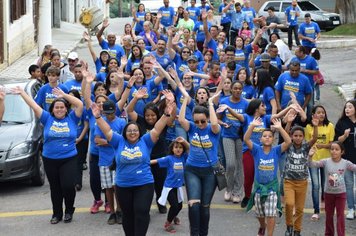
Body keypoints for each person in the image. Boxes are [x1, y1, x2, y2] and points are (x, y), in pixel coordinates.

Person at [92, 93, 175, 236]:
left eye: (135, 130)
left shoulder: (146, 141)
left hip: (144, 183)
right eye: (129, 130)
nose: (132, 133)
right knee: (128, 215)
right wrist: (98, 117)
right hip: (123, 185)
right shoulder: (118, 141)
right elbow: (106, 130)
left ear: (139, 132)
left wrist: (166, 115)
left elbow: (157, 128)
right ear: (124, 133)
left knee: (142, 211)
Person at [12, 85, 83, 224]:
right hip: (50, 159)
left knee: (68, 186)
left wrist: (63, 94)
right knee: (55, 187)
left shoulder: (73, 118)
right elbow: (33, 104)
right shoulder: (46, 118)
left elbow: (79, 104)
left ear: (66, 109)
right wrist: (21, 93)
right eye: (56, 107)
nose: (59, 109)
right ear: (52, 109)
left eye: (62, 107)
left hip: (69, 158)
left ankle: (69, 210)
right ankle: (57, 213)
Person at [178, 90, 221, 236]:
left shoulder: (213, 129)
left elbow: (214, 123)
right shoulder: (191, 127)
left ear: (207, 119)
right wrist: (185, 100)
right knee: (194, 206)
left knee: (204, 207)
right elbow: (181, 119)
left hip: (210, 171)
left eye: (203, 121)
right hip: (192, 170)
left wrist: (210, 103)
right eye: (196, 121)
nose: (200, 124)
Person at [244, 117, 291, 236]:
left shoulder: (276, 150)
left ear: (273, 139)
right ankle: (262, 225)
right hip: (259, 188)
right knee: (260, 214)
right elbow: (246, 139)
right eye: (264, 136)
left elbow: (288, 142)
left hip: (272, 188)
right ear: (260, 139)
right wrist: (252, 125)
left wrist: (280, 128)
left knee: (271, 214)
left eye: (270, 136)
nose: (267, 137)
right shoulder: (256, 150)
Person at [308, 142, 356, 236]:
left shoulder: (346, 163)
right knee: (329, 216)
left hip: (341, 194)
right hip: (328, 194)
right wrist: (310, 156)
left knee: (340, 216)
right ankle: (329, 233)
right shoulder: (325, 161)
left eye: (337, 149)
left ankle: (341, 234)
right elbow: (312, 165)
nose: (334, 151)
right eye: (332, 149)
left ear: (342, 152)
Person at [283, 116, 318, 236]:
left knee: (299, 209)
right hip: (289, 181)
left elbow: (315, 138)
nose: (298, 138)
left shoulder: (305, 147)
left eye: (300, 136)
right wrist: (289, 122)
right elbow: (285, 134)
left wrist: (315, 125)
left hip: (302, 182)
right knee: (289, 204)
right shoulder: (288, 146)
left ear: (303, 137)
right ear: (292, 137)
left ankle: (297, 230)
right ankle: (289, 227)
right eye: (295, 135)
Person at [94, 100, 126, 225]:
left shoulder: (122, 122)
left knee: (117, 186)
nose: (109, 116)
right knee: (108, 187)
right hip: (104, 160)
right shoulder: (100, 122)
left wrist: (107, 140)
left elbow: (125, 139)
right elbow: (97, 140)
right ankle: (112, 212)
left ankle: (119, 210)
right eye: (107, 113)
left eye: (111, 113)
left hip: (118, 159)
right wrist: (113, 140)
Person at [217, 81, 249, 203]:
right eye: (235, 88)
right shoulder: (224, 101)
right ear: (231, 89)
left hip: (241, 137)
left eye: (239, 89)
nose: (237, 91)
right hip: (227, 135)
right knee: (230, 164)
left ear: (242, 90)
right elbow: (217, 119)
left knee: (240, 165)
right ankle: (228, 189)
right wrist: (223, 124)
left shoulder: (245, 103)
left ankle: (237, 192)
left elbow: (247, 120)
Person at [150, 137, 190, 233]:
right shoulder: (169, 158)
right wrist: (141, 162)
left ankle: (174, 216)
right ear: (172, 149)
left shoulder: (184, 157)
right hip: (169, 187)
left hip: (178, 186)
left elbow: (190, 149)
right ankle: (168, 223)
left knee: (179, 206)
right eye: (176, 147)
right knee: (175, 205)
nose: (178, 149)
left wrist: (184, 141)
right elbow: (155, 161)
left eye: (180, 147)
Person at [306, 105, 334, 221]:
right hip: (313, 160)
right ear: (313, 115)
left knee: (325, 185)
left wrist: (322, 145)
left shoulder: (330, 126)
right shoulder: (308, 127)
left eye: (323, 112)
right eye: (318, 112)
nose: (321, 114)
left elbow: (332, 144)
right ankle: (316, 210)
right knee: (316, 185)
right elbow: (308, 144)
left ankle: (324, 199)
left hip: (326, 161)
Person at [334, 100, 356, 220]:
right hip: (347, 160)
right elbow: (336, 141)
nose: (347, 109)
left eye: (350, 107)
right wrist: (345, 136)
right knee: (348, 184)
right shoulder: (342, 123)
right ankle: (351, 208)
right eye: (346, 107)